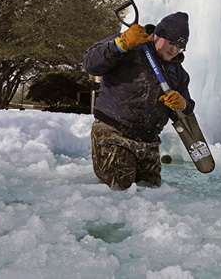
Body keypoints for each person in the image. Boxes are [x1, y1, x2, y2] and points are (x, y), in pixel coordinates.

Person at [83, 12, 195, 190]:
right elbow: (90, 64)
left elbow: (186, 110)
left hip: (149, 143)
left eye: (180, 47)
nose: (175, 50)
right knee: (118, 193)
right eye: (172, 43)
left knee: (151, 197)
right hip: (114, 134)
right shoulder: (130, 43)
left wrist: (182, 104)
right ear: (157, 35)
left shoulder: (179, 74)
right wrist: (119, 45)